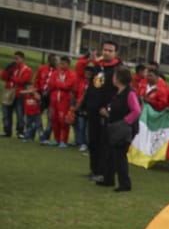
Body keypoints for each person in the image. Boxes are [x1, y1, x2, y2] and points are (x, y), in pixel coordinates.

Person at [77, 40, 122, 183]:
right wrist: (85, 106)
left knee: (104, 143)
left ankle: (103, 172)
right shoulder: (98, 67)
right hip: (93, 109)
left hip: (106, 113)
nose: (107, 53)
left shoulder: (118, 69)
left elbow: (119, 91)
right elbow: (91, 87)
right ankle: (94, 169)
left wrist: (109, 108)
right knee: (93, 140)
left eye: (110, 50)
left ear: (116, 53)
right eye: (105, 50)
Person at [97, 66, 141, 191]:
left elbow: (136, 111)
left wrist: (125, 122)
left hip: (123, 130)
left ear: (119, 79)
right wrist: (107, 113)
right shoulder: (119, 93)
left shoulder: (130, 93)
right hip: (115, 127)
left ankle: (124, 183)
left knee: (120, 156)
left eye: (115, 76)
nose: (113, 78)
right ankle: (108, 179)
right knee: (111, 155)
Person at [46, 56, 77, 148]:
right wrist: (61, 84)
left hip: (65, 100)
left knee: (63, 121)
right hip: (54, 99)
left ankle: (64, 141)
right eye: (60, 63)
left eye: (63, 63)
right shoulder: (55, 73)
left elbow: (68, 86)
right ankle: (56, 139)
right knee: (54, 120)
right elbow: (50, 84)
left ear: (68, 64)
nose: (61, 65)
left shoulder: (72, 74)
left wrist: (58, 84)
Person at [2, 51, 33, 138]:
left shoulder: (27, 69)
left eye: (17, 58)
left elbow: (23, 81)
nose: (15, 60)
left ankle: (20, 131)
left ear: (22, 59)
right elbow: (3, 77)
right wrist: (6, 69)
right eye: (14, 58)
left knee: (20, 114)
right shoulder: (12, 68)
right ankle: (7, 131)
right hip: (8, 91)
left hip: (19, 94)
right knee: (6, 113)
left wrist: (11, 77)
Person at [34, 54, 58, 143]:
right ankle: (39, 133)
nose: (55, 62)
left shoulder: (58, 71)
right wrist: (36, 92)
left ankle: (46, 135)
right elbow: (36, 81)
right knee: (37, 115)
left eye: (56, 60)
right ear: (49, 60)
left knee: (51, 117)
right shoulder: (42, 69)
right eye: (53, 60)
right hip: (41, 94)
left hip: (51, 96)